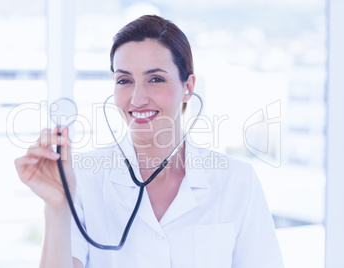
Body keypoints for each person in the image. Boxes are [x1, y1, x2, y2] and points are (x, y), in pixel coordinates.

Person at [15, 15, 284, 268]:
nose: (137, 98)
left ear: (188, 87)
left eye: (155, 79)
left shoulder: (237, 182)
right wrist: (57, 206)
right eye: (124, 80)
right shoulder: (82, 179)